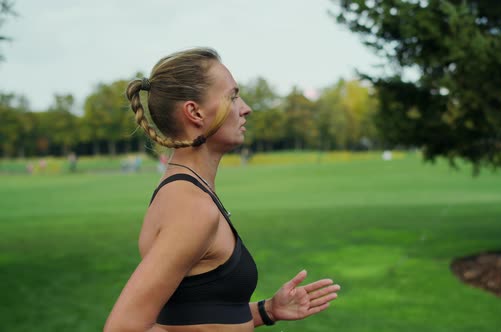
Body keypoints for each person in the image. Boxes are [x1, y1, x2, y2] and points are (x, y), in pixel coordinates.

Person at [104, 48, 340, 332]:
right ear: (195, 112)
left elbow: (191, 315)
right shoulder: (190, 206)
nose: (246, 108)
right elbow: (123, 328)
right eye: (233, 96)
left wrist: (266, 311)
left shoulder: (188, 190)